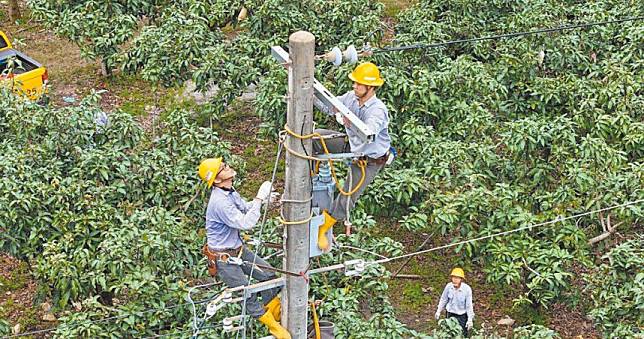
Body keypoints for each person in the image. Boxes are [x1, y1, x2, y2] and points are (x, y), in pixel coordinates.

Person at [198, 157, 290, 339]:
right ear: (216, 179)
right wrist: (259, 197)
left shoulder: (229, 192)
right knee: (246, 293)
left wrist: (261, 202)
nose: (228, 167)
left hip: (238, 250)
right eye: (223, 167)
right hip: (224, 259)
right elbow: (246, 223)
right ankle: (273, 326)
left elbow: (244, 209)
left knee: (268, 274)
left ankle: (272, 309)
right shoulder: (219, 202)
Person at [313, 62, 392, 250]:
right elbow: (329, 107)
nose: (354, 86)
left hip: (369, 160)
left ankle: (323, 228)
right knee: (313, 138)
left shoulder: (377, 110)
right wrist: (310, 93)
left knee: (347, 197)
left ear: (371, 87)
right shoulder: (351, 97)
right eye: (355, 83)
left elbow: (369, 131)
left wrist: (349, 120)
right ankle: (311, 174)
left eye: (359, 84)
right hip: (352, 147)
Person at [435, 268, 474, 337]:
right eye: (453, 277)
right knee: (449, 333)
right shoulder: (449, 286)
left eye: (457, 278)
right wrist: (438, 311)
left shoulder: (467, 289)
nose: (455, 280)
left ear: (461, 279)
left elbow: (469, 306)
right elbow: (444, 299)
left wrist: (470, 319)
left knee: (461, 334)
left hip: (461, 315)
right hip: (450, 313)